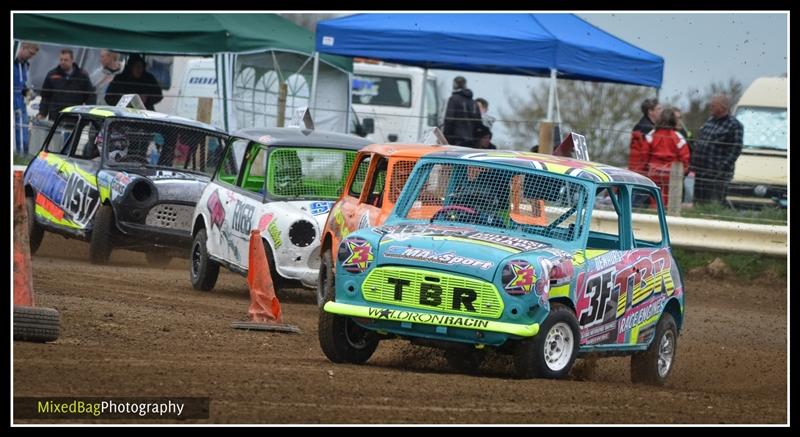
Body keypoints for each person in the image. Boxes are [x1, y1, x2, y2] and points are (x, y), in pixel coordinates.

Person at [690, 94, 744, 205]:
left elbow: (735, 151)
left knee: (713, 205)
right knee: (698, 203)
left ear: (723, 107)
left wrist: (720, 169)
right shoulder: (710, 121)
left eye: (713, 105)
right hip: (701, 172)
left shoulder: (734, 125)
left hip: (717, 176)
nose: (710, 107)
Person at [644, 108, 691, 208]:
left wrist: (645, 169)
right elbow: (685, 158)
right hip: (672, 175)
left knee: (654, 200)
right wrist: (682, 172)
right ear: (673, 120)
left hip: (653, 173)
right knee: (670, 203)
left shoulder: (651, 135)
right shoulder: (678, 137)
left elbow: (643, 154)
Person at [37, 49, 96, 122]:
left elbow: (90, 96)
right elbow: (45, 97)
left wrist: (89, 115)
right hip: (55, 116)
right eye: (61, 60)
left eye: (66, 60)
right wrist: (42, 113)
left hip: (74, 116)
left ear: (72, 60)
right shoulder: (52, 75)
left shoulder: (82, 76)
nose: (63, 62)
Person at [14, 42, 39, 156]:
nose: (31, 56)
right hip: (14, 102)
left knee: (23, 131)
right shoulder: (14, 62)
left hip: (21, 103)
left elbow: (23, 84)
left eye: (33, 55)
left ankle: (21, 155)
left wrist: (28, 93)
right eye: (30, 53)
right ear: (22, 48)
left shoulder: (25, 65)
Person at [443, 76, 482, 147]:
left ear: (454, 84)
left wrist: (445, 138)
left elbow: (449, 120)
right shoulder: (474, 103)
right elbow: (479, 123)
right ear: (465, 85)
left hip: (455, 140)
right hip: (471, 141)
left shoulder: (453, 99)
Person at [627, 98, 663, 176]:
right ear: (650, 112)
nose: (662, 111)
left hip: (638, 168)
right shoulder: (646, 128)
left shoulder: (643, 125)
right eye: (659, 109)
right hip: (640, 170)